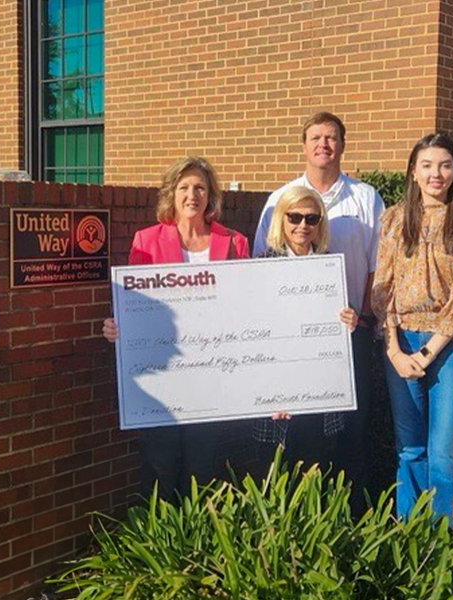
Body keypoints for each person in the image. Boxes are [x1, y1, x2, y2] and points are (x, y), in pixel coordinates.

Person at [254, 112, 384, 512]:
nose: (323, 144)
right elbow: (258, 276)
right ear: (304, 145)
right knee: (287, 437)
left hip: (350, 330)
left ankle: (346, 515)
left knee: (350, 429)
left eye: (331, 137)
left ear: (342, 145)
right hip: (285, 349)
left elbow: (380, 267)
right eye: (315, 137)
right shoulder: (280, 197)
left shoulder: (367, 198)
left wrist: (359, 318)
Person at [102, 155, 249, 500]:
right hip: (162, 377)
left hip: (210, 376)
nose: (192, 195)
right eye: (184, 187)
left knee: (203, 466)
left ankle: (196, 545)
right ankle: (160, 545)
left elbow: (244, 306)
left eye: (200, 187)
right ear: (172, 194)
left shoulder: (234, 243)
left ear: (211, 195)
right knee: (160, 464)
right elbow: (135, 304)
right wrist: (118, 326)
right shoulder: (146, 240)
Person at [371, 132, 453, 521]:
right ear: (413, 172)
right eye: (427, 165)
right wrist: (394, 350)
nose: (435, 174)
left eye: (444, 165)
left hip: (450, 345)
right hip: (401, 340)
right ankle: (409, 536)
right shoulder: (393, 218)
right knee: (409, 447)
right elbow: (382, 288)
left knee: (443, 450)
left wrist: (426, 351)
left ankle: (443, 543)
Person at [251, 185, 357, 475]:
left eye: (312, 219)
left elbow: (336, 330)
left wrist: (349, 321)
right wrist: (270, 392)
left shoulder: (330, 267)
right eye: (294, 217)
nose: (302, 226)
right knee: (272, 483)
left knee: (315, 481)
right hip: (274, 402)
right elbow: (252, 334)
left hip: (319, 399)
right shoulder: (260, 267)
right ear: (281, 220)